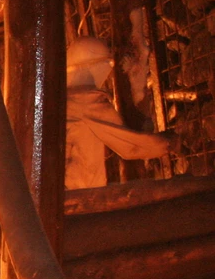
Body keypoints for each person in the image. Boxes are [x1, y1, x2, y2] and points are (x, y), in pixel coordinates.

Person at [65, 35, 171, 190]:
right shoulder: (87, 102)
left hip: (59, 196)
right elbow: (130, 147)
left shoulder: (62, 103)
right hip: (80, 195)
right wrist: (168, 143)